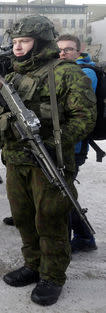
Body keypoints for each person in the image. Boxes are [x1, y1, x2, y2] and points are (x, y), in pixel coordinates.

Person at [0, 15, 96, 306]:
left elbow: (85, 118)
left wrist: (51, 140)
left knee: (51, 220)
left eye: (25, 41)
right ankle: (32, 265)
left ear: (41, 41)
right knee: (22, 217)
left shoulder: (65, 72)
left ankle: (53, 276)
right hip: (16, 161)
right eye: (15, 42)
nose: (17, 47)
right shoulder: (12, 73)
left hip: (50, 161)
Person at [56, 33, 98, 253]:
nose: (63, 54)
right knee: (61, 192)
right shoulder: (59, 70)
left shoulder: (86, 73)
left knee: (64, 194)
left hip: (74, 146)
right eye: (60, 50)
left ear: (79, 51)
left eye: (68, 49)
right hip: (61, 143)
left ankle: (82, 237)